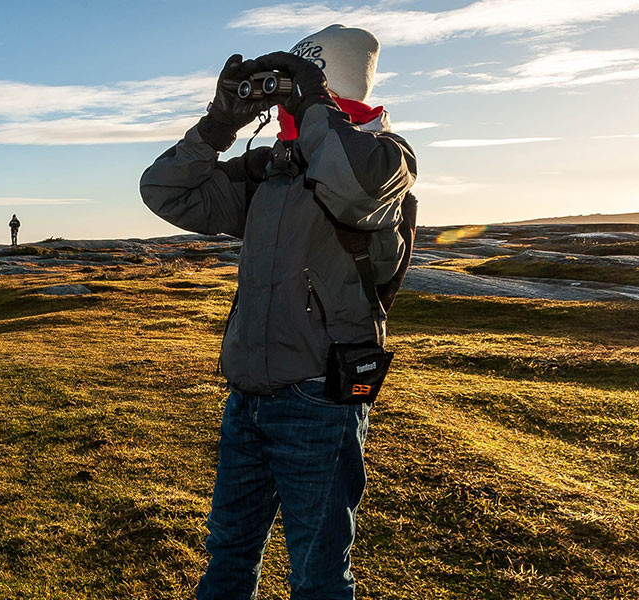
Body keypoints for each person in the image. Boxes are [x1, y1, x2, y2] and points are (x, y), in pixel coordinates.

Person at [139, 25, 417, 599]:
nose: (279, 97)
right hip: (248, 395)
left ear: (330, 87)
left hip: (318, 399)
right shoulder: (275, 168)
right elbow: (167, 192)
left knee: (318, 575)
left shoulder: (386, 160)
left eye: (291, 83)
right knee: (228, 555)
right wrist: (217, 126)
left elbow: (353, 185)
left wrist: (312, 103)